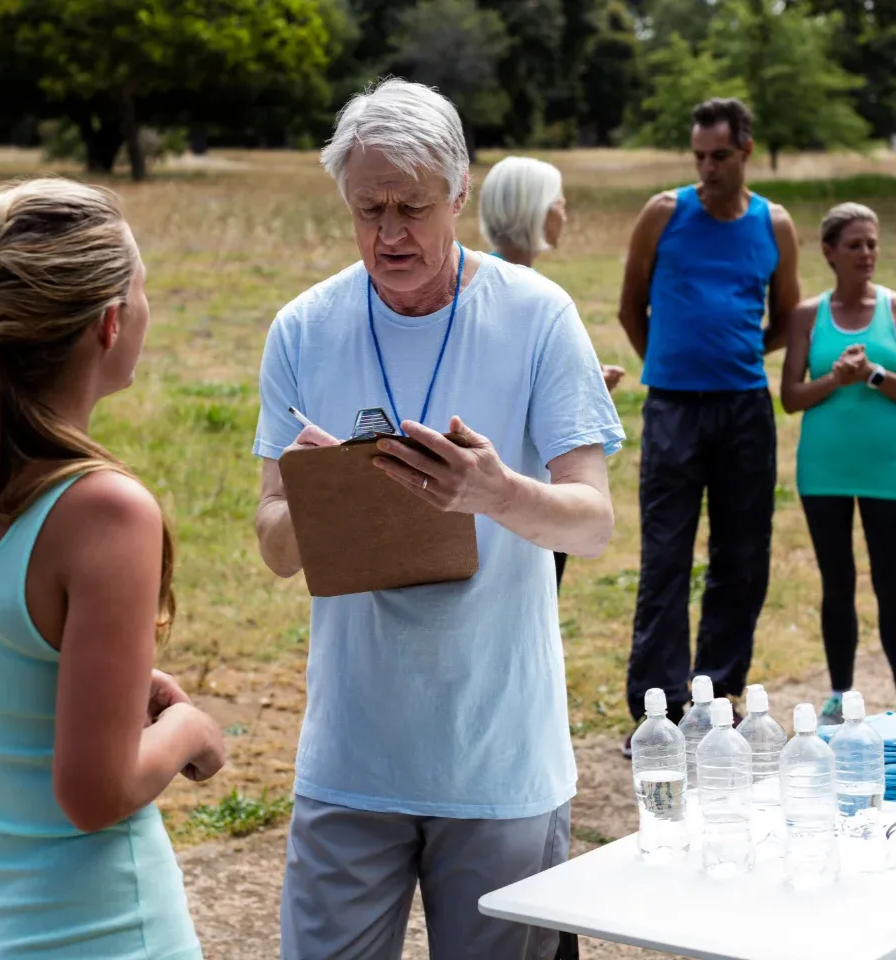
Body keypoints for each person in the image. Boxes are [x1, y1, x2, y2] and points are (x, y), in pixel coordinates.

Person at [254, 79, 624, 960]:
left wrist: (495, 493)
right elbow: (273, 548)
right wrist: (315, 497)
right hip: (351, 755)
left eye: (412, 208)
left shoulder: (538, 317)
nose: (388, 235)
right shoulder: (304, 328)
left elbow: (593, 524)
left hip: (500, 758)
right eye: (366, 208)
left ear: (461, 195)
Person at [0, 179, 225, 959]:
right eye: (143, 288)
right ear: (109, 322)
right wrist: (189, 727)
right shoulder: (108, 513)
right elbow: (94, 795)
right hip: (94, 933)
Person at [618, 97, 801, 757]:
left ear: (745, 151)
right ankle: (654, 713)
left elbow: (785, 317)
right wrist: (668, 367)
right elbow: (629, 306)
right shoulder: (665, 213)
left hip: (745, 410)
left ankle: (719, 701)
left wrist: (737, 358)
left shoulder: (773, 225)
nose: (707, 168)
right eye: (698, 156)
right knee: (664, 558)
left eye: (719, 156)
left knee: (742, 559)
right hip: (673, 407)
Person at [478, 155, 625, 591]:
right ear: (536, 209)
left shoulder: (517, 290)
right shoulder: (501, 294)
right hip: (510, 493)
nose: (564, 212)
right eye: (558, 202)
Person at [781, 203, 896, 725]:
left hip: (886, 468)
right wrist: (836, 380)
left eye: (871, 243)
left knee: (890, 582)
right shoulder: (807, 315)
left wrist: (871, 374)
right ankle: (840, 692)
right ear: (829, 252)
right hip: (824, 468)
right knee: (837, 581)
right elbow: (791, 396)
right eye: (855, 245)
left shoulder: (895, 309)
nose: (867, 254)